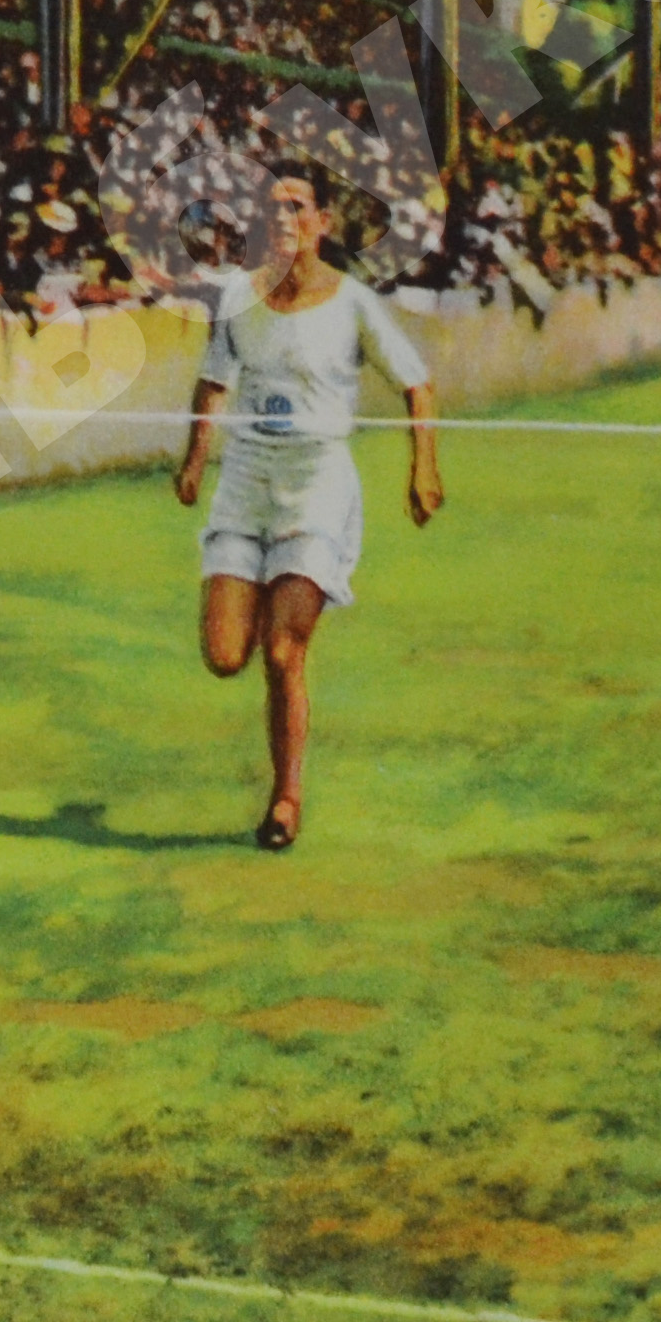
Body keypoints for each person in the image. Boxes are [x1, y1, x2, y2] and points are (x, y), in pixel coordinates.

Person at [173, 162, 443, 852]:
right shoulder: (238, 295)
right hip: (246, 479)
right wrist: (195, 460)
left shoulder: (353, 303)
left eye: (296, 206)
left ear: (322, 222)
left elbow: (416, 384)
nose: (282, 218)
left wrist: (423, 467)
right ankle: (267, 593)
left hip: (317, 479)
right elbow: (213, 383)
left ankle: (285, 799)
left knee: (283, 652)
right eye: (272, 208)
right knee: (225, 654)